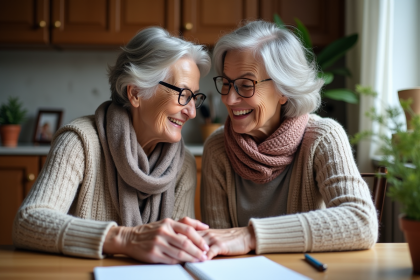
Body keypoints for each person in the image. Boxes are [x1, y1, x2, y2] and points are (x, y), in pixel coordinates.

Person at [13, 27, 212, 264]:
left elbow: (179, 251)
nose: (191, 111)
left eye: (195, 98)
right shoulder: (80, 142)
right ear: (136, 93)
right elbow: (28, 222)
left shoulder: (183, 164)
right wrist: (127, 239)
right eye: (183, 94)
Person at [200, 21, 378, 259]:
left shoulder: (323, 137)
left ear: (283, 90)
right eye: (226, 83)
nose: (229, 99)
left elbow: (361, 222)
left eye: (245, 85)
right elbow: (218, 248)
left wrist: (251, 236)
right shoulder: (217, 147)